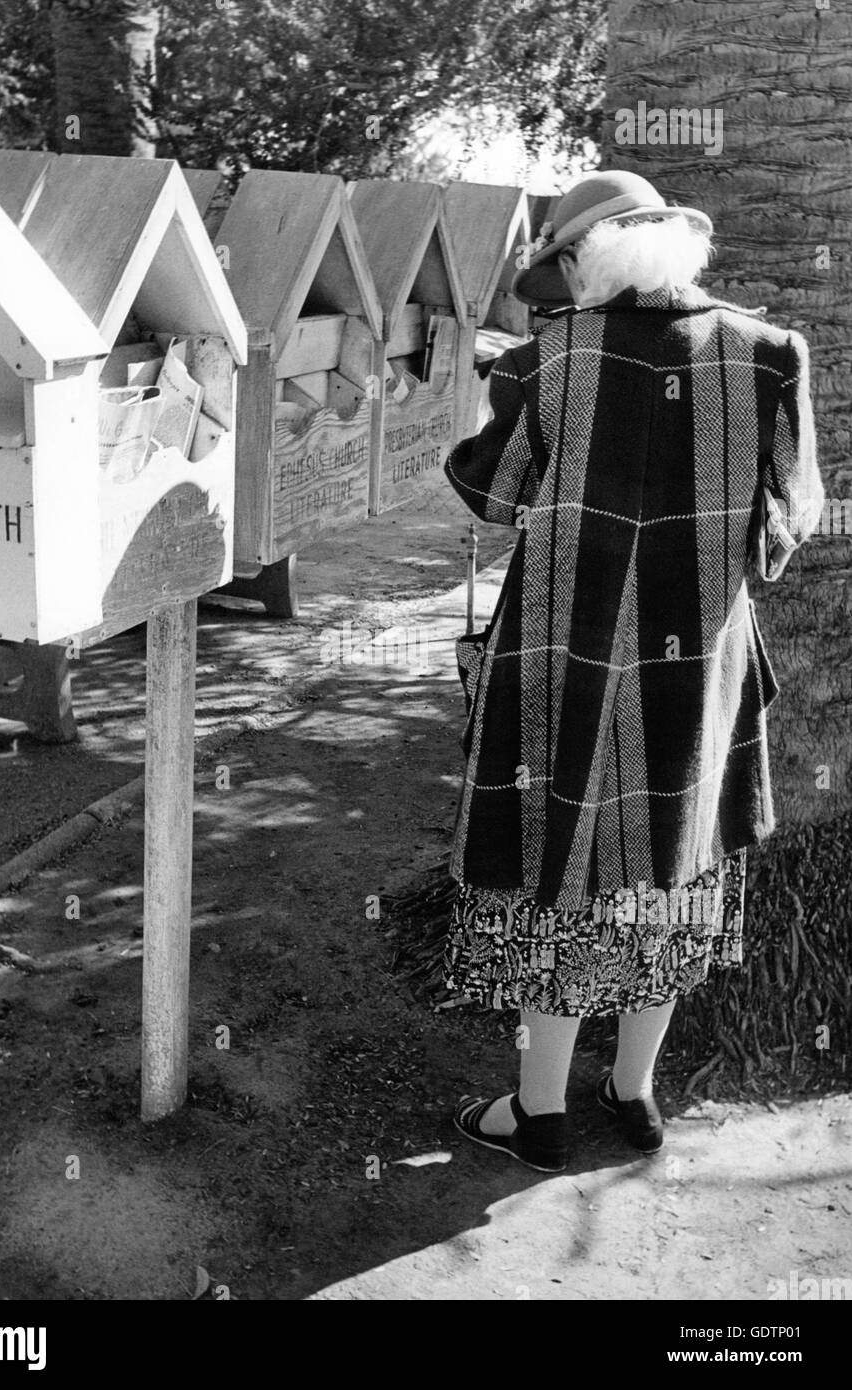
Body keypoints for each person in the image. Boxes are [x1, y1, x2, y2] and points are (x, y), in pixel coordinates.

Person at [443, 169, 823, 1171]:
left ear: (587, 256)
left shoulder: (541, 361)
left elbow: (488, 494)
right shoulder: (774, 355)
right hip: (696, 674)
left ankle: (540, 1114)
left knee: (554, 881)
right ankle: (635, 1093)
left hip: (561, 667)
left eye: (562, 260)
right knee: (673, 872)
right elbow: (784, 532)